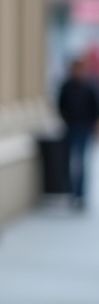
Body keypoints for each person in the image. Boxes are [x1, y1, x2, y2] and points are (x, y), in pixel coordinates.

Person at [56, 57, 97, 210]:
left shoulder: (89, 87)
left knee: (82, 162)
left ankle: (80, 195)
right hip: (70, 128)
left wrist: (94, 124)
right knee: (70, 161)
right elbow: (60, 106)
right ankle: (71, 192)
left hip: (84, 128)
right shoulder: (67, 86)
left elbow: (95, 107)